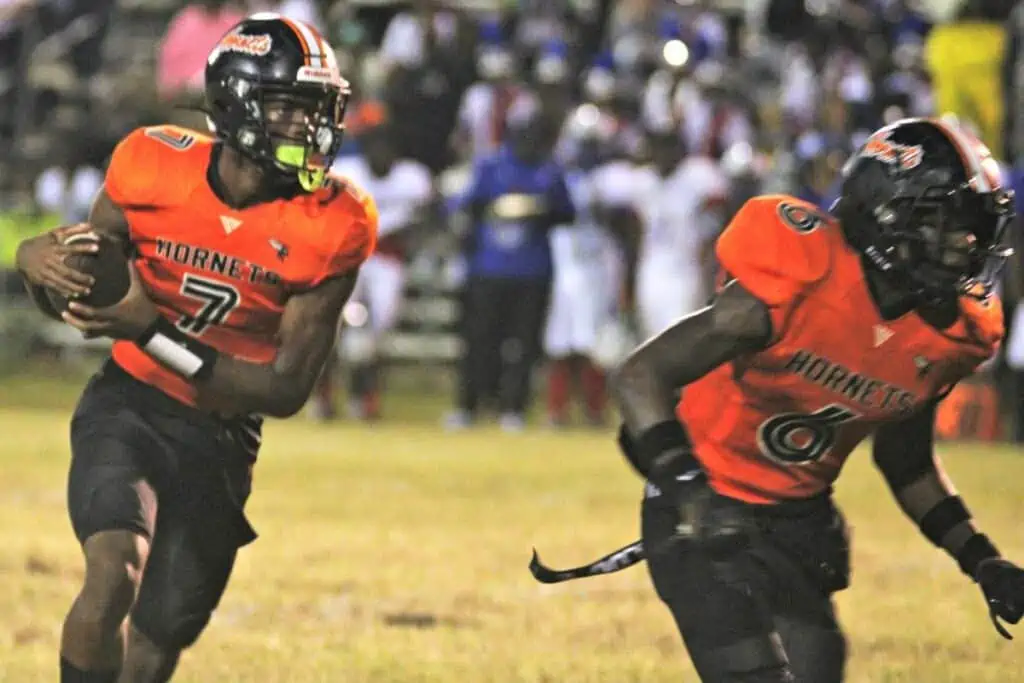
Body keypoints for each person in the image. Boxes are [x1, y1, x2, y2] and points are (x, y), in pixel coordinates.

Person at [540, 117, 1024, 681]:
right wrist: (692, 494)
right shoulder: (802, 276)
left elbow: (906, 461)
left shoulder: (953, 334)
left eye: (975, 228)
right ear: (887, 214)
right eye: (949, 224)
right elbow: (640, 376)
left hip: (800, 521)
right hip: (703, 506)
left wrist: (981, 558)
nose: (968, 244)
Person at [14, 15, 376, 683]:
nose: (309, 126)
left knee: (157, 641)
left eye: (317, 108)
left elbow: (285, 389)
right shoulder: (151, 162)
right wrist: (35, 263)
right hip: (129, 405)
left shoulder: (335, 221)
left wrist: (151, 330)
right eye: (290, 107)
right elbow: (87, 292)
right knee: (112, 572)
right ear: (237, 103)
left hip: (222, 439)